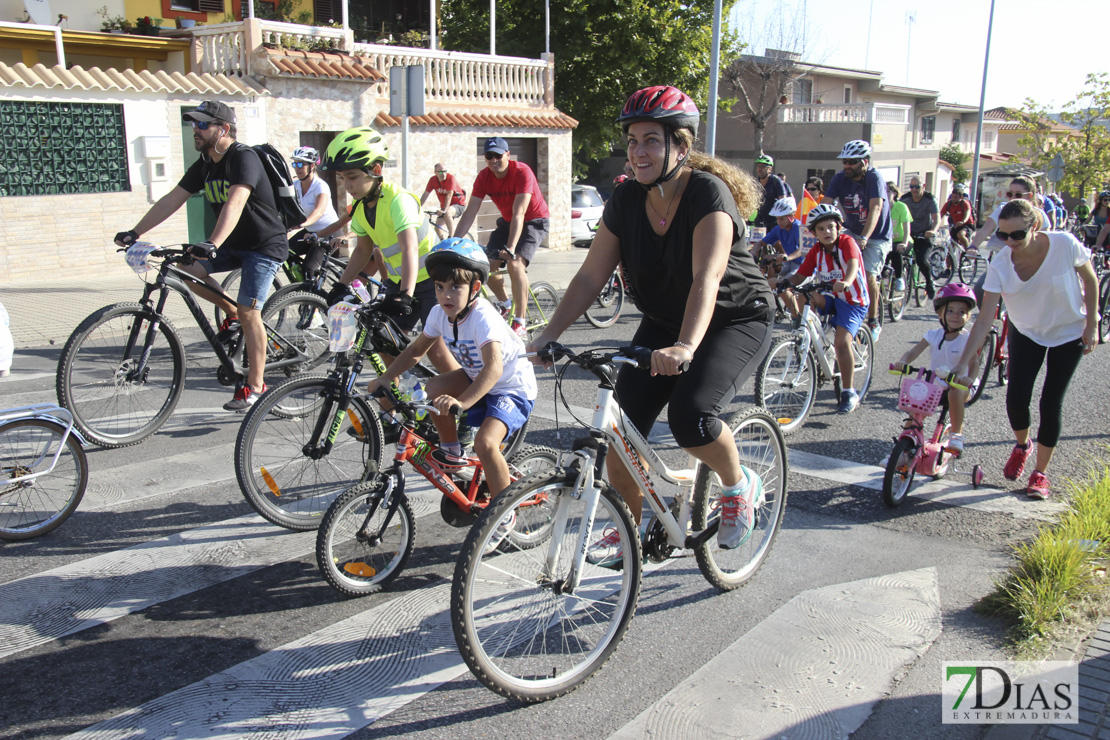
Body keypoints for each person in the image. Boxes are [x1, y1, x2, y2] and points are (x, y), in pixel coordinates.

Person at [529, 84, 774, 553]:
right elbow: (588, 277)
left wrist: (684, 347)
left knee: (692, 419)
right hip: (665, 319)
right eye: (633, 141)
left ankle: (738, 485)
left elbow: (708, 276)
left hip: (734, 318)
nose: (638, 152)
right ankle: (632, 532)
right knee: (621, 428)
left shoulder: (708, 194)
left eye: (652, 141)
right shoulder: (625, 201)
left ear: (680, 146)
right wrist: (548, 335)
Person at [114, 100, 288, 411]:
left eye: (202, 125)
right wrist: (135, 233)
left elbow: (235, 203)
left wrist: (213, 241)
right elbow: (172, 199)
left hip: (264, 246)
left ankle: (256, 385)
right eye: (193, 124)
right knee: (187, 268)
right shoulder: (205, 163)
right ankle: (230, 312)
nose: (195, 129)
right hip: (232, 243)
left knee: (252, 314)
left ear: (223, 129)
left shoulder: (243, 157)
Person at [366, 238, 536, 525]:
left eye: (455, 287)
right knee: (427, 392)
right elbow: (415, 351)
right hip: (474, 376)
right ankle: (452, 451)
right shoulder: (438, 313)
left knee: (485, 443)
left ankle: (504, 515)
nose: (446, 295)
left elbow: (494, 369)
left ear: (476, 289)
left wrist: (462, 402)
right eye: (439, 287)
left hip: (511, 387)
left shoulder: (483, 316)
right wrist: (386, 377)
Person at [953, 198, 1098, 499]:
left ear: (1034, 227)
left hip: (1068, 332)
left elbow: (1091, 279)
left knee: (1050, 402)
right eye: (1003, 236)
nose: (1010, 242)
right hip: (1027, 331)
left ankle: (1040, 474)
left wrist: (1092, 326)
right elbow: (983, 321)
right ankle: (1023, 445)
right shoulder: (1001, 264)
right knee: (1017, 398)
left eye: (1017, 235)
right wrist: (963, 362)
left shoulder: (1064, 244)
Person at [320, 126, 457, 374]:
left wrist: (405, 294)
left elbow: (409, 248)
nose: (346, 185)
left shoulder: (398, 200)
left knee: (434, 349)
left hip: (432, 281)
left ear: (376, 170)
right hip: (399, 281)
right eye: (342, 178)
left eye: (352, 177)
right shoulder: (360, 208)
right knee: (386, 342)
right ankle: (400, 398)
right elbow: (362, 251)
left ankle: (464, 400)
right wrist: (341, 285)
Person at [452, 137, 551, 339]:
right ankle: (507, 305)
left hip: (534, 220)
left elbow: (520, 213)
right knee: (486, 265)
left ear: (508, 154)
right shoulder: (484, 177)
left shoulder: (522, 171)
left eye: (498, 155)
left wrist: (511, 248)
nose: (494, 160)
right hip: (508, 222)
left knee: (515, 265)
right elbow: (470, 213)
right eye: (489, 156)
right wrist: (452, 243)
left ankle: (520, 321)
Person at [778, 203, 869, 413]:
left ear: (838, 227)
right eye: (821, 229)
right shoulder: (816, 250)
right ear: (814, 233)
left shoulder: (848, 243)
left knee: (842, 342)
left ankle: (848, 391)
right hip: (830, 295)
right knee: (802, 293)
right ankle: (803, 332)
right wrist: (784, 282)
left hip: (852, 300)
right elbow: (801, 275)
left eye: (831, 227)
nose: (827, 232)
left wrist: (846, 281)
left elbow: (853, 264)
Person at [893, 284, 979, 455]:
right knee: (916, 404)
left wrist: (969, 378)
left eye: (962, 312)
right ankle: (903, 447)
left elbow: (974, 363)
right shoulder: (933, 335)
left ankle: (956, 435)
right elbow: (914, 351)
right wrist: (903, 361)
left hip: (962, 386)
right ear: (940, 314)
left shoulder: (967, 339)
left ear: (968, 316)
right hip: (938, 384)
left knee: (954, 392)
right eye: (951, 311)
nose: (956, 315)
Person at [822, 139, 891, 341]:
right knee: (835, 266)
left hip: (876, 235)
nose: (847, 166)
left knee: (868, 274)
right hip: (852, 229)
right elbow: (825, 205)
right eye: (844, 162)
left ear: (865, 161)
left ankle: (873, 320)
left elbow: (876, 208)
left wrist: (864, 237)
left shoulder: (874, 177)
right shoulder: (839, 179)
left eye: (852, 161)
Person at [289, 146, 340, 276]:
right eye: (294, 164)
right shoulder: (295, 186)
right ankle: (299, 286)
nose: (297, 168)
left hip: (329, 231)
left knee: (309, 268)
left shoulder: (320, 186)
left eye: (301, 164)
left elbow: (318, 212)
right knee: (284, 251)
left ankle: (313, 294)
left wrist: (301, 225)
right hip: (310, 230)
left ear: (312, 166)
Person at [751, 196, 804, 307]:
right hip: (787, 262)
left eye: (782, 219)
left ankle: (796, 318)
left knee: (783, 287)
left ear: (792, 216)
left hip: (801, 265)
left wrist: (787, 257)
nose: (779, 222)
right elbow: (761, 243)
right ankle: (769, 294)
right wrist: (753, 253)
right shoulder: (778, 229)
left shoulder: (799, 228)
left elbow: (802, 250)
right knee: (769, 262)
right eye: (777, 219)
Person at [899, 176, 940, 309]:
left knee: (922, 260)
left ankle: (929, 282)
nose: (914, 190)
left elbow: (936, 217)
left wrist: (933, 230)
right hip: (909, 235)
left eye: (917, 186)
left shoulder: (930, 199)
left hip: (925, 235)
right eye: (911, 186)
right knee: (898, 253)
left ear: (924, 186)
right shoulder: (905, 199)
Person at [418, 163, 467, 238]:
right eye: (440, 172)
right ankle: (443, 242)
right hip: (446, 206)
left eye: (445, 171)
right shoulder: (432, 180)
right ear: (435, 173)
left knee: (448, 213)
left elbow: (449, 195)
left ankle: (452, 237)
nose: (443, 174)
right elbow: (426, 194)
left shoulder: (451, 178)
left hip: (458, 204)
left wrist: (444, 209)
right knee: (437, 227)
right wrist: (418, 207)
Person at [888, 182, 912, 292]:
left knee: (896, 253)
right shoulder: (880, 207)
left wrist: (904, 243)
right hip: (888, 242)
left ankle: (899, 278)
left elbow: (907, 228)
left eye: (888, 191)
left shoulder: (901, 207)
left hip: (902, 240)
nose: (885, 194)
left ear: (894, 193)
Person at [753, 153, 787, 231]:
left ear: (770, 169)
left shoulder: (775, 181)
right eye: (758, 166)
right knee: (757, 242)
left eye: (762, 167)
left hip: (773, 220)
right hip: (759, 220)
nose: (759, 169)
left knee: (773, 242)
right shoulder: (755, 182)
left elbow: (783, 200)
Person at [940, 184, 974, 250]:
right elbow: (941, 215)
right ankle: (950, 259)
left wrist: (963, 221)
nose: (953, 199)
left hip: (967, 225)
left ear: (961, 197)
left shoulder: (964, 203)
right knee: (951, 247)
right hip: (956, 225)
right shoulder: (949, 204)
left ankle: (968, 252)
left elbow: (967, 213)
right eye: (952, 197)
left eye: (955, 197)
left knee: (960, 235)